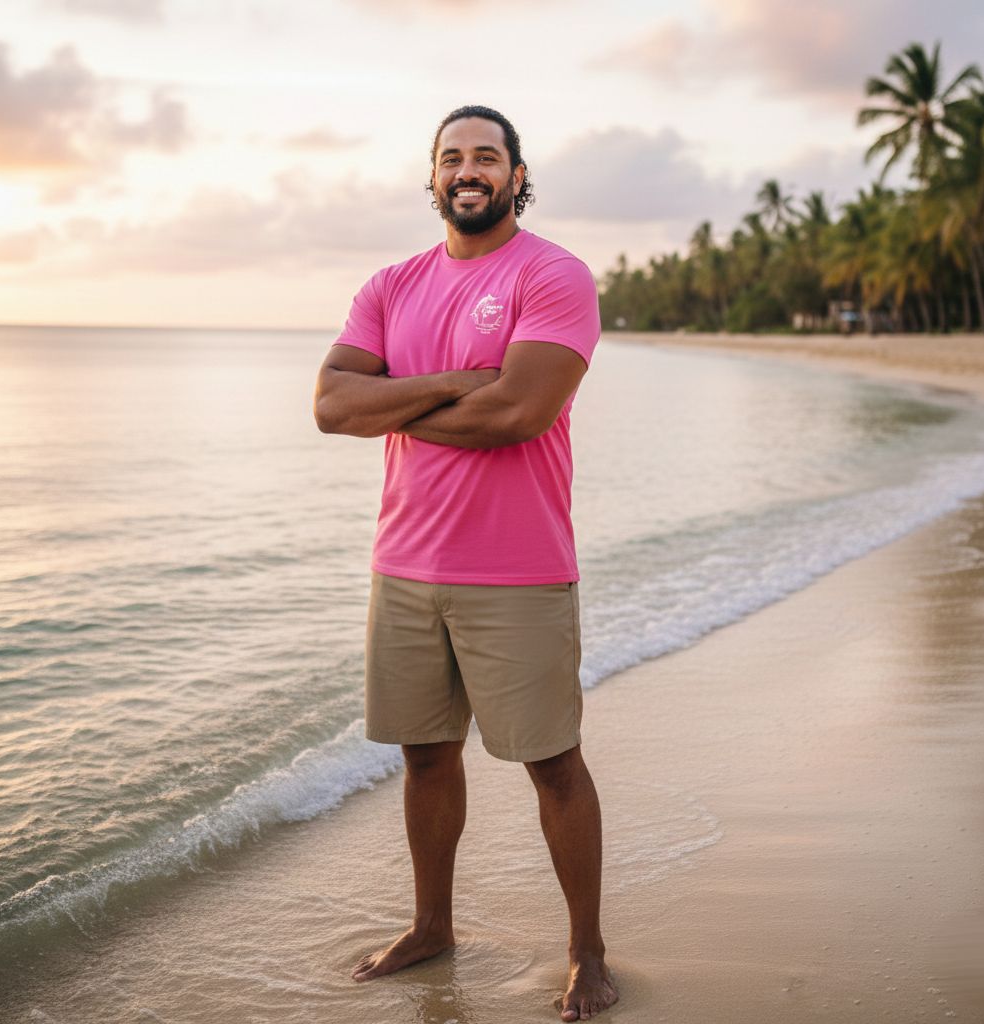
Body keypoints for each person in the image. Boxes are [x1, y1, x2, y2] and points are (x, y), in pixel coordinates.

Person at [313, 104, 617, 1022]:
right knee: (423, 758)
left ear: (517, 176)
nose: (468, 170)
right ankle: (432, 924)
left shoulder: (554, 276)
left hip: (519, 571)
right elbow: (331, 403)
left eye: (487, 156)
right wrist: (454, 381)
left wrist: (391, 404)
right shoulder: (391, 285)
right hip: (403, 566)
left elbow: (517, 415)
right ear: (434, 179)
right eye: (452, 158)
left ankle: (588, 954)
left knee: (552, 763)